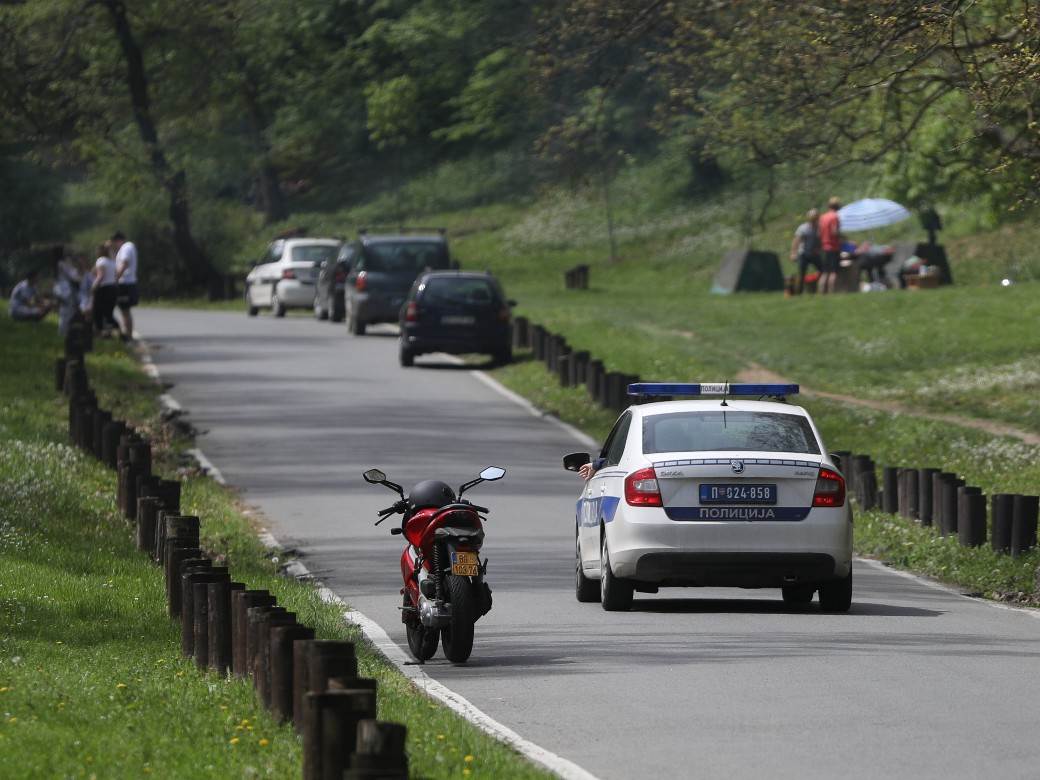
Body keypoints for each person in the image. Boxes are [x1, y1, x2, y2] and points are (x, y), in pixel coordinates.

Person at [111, 231, 138, 340]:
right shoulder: (126, 248)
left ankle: (128, 335)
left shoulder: (126, 247)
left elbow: (124, 263)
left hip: (125, 283)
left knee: (125, 310)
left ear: (118, 240)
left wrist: (115, 278)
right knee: (124, 311)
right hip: (126, 282)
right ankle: (128, 334)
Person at [789, 208, 821, 294]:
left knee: (823, 270)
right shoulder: (803, 228)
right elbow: (796, 241)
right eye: (812, 218)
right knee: (802, 274)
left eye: (815, 218)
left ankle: (819, 289)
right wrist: (793, 253)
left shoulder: (819, 228)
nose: (814, 220)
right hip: (803, 254)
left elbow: (820, 240)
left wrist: (819, 249)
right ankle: (798, 292)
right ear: (809, 218)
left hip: (814, 254)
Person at [93, 241, 119, 335]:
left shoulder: (101, 261)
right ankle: (115, 329)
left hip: (104, 289)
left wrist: (93, 287)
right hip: (113, 288)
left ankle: (100, 331)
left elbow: (101, 276)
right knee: (109, 312)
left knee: (98, 311)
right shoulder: (112, 262)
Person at [817, 196, 842, 294]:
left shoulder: (822, 217)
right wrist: (842, 237)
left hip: (824, 247)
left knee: (825, 272)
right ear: (838, 206)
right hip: (833, 247)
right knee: (833, 272)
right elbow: (834, 232)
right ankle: (832, 292)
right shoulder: (835, 216)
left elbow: (819, 233)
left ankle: (821, 292)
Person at [53, 253, 82, 335]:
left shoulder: (61, 264)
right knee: (67, 312)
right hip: (66, 291)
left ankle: (66, 331)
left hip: (64, 291)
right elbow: (74, 276)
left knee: (68, 311)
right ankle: (63, 331)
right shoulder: (62, 264)